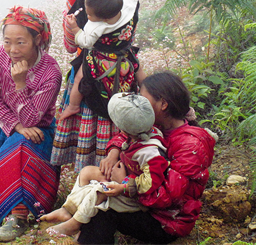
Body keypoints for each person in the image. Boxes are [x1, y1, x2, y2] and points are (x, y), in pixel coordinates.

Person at [77, 71, 217, 245]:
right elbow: (126, 134)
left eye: (143, 99)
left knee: (103, 207)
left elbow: (167, 198)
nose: (139, 103)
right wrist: (114, 151)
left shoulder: (190, 146)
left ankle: (78, 234)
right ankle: (74, 225)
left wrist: (126, 184)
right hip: (143, 200)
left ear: (163, 104)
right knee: (96, 184)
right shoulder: (153, 125)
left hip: (165, 221)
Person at [0, 6, 62, 242]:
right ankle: (1, 215)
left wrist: (20, 84)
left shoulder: (51, 73)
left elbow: (32, 120)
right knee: (19, 140)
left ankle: (19, 216)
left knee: (22, 148)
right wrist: (16, 127)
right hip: (1, 122)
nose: (12, 50)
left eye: (20, 43)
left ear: (37, 40)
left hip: (39, 130)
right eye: (7, 42)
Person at [51, 0, 145, 173]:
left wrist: (73, 28)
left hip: (92, 71)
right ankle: (122, 177)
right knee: (125, 118)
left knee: (86, 119)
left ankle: (87, 185)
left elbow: (72, 46)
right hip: (124, 65)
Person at [42, 92, 168, 237]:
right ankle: (68, 210)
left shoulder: (150, 152)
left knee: (99, 190)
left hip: (136, 198)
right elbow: (121, 141)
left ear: (124, 128)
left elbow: (152, 183)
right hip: (125, 178)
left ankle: (75, 223)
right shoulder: (139, 132)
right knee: (87, 172)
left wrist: (124, 185)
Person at [58, 0, 139, 121]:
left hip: (100, 57)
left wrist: (75, 28)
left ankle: (73, 106)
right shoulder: (128, 7)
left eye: (89, 15)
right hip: (125, 53)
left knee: (79, 78)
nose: (88, 16)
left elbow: (85, 42)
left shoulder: (97, 27)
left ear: (104, 19)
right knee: (138, 70)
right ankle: (146, 92)